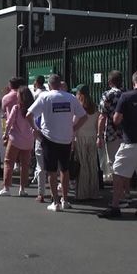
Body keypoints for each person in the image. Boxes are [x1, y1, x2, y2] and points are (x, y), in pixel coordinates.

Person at [26, 74, 87, 212]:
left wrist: (35, 130)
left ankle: (56, 202)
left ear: (49, 85)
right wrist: (73, 128)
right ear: (60, 84)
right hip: (66, 139)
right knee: (64, 170)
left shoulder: (45, 97)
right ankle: (65, 199)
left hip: (49, 139)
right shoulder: (70, 97)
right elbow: (83, 116)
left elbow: (28, 115)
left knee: (51, 172)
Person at [99, 71, 137, 219]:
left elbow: (116, 119)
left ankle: (115, 205)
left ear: (133, 82)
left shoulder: (126, 96)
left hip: (131, 140)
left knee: (118, 171)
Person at [0, 85, 35, 196]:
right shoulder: (33, 109)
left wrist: (5, 134)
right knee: (25, 165)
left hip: (15, 139)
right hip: (28, 141)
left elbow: (9, 123)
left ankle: (6, 188)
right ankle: (22, 189)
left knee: (8, 162)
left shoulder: (16, 108)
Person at [72, 84, 100, 201]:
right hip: (92, 137)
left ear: (80, 94)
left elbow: (74, 124)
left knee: (82, 165)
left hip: (81, 138)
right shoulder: (95, 107)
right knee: (92, 165)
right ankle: (93, 192)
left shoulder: (79, 107)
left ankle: (82, 193)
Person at [97, 71, 124, 183]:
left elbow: (102, 117)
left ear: (109, 82)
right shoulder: (126, 93)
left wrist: (99, 135)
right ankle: (126, 191)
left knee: (114, 162)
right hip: (126, 132)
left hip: (111, 132)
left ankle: (119, 194)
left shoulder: (107, 95)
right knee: (124, 163)